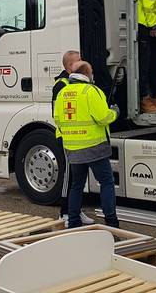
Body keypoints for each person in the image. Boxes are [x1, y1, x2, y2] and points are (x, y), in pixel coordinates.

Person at [53, 61, 119, 228]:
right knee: (106, 182)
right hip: (94, 147)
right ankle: (111, 222)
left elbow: (58, 119)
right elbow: (103, 117)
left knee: (77, 185)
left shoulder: (63, 92)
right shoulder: (91, 91)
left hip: (73, 149)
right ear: (87, 74)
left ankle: (73, 221)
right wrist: (115, 112)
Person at [52, 50, 95, 227]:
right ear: (70, 66)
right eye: (78, 61)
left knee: (79, 178)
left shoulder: (73, 82)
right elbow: (57, 114)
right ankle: (64, 213)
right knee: (69, 176)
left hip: (78, 136)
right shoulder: (62, 85)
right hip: (67, 138)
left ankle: (75, 210)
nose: (82, 63)